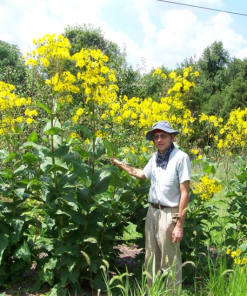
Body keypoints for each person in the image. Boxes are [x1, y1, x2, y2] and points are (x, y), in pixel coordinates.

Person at [110, 121, 190, 294]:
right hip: (152, 213)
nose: (159, 139)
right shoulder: (155, 158)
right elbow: (141, 174)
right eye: (156, 137)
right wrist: (118, 163)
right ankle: (152, 291)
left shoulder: (180, 157)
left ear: (172, 137)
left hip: (170, 214)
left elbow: (185, 193)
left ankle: (172, 293)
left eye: (163, 136)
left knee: (170, 261)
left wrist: (179, 225)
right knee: (151, 258)